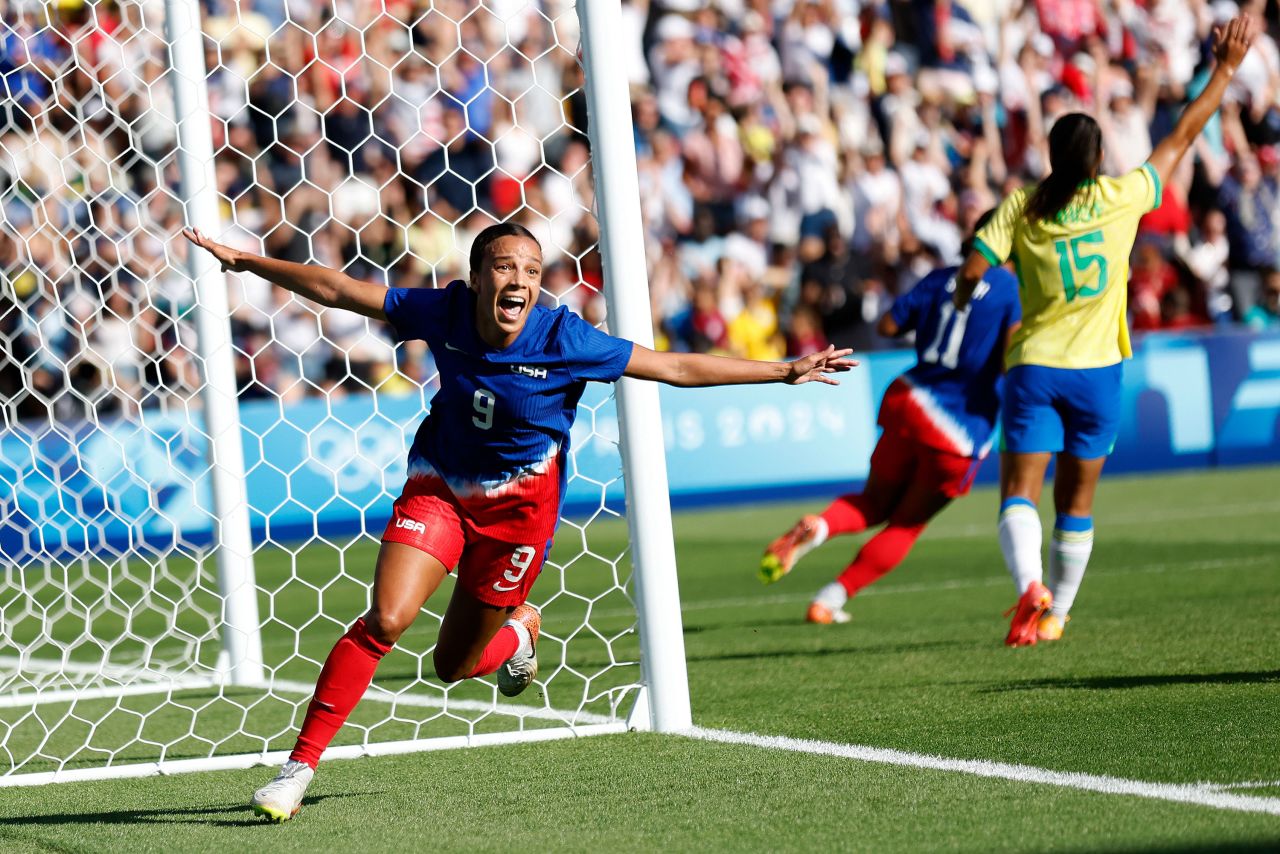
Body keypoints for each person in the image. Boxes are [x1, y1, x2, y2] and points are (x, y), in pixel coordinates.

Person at [183, 222, 855, 822]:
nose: (520, 281)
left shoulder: (564, 337)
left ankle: (520, 631)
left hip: (518, 522)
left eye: (532, 271)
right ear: (477, 277)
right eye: (506, 267)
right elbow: (336, 289)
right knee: (387, 619)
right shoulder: (443, 312)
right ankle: (298, 767)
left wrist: (783, 370)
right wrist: (248, 264)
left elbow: (674, 365)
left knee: (455, 666)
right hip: (440, 488)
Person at [952, 16, 1257, 646]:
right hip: (1099, 373)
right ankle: (1058, 613)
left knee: (1019, 491)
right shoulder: (1122, 196)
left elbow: (973, 268)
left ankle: (1028, 590)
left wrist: (964, 297)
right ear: (1096, 160)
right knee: (1079, 501)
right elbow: (1181, 134)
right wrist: (1224, 69)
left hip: (1036, 366)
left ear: (1051, 157)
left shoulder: (1023, 206)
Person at [759, 212, 1020, 623]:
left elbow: (888, 323)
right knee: (907, 524)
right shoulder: (1012, 290)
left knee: (874, 501)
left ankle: (819, 526)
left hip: (910, 399)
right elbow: (1011, 359)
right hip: (960, 426)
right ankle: (829, 599)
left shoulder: (938, 278)